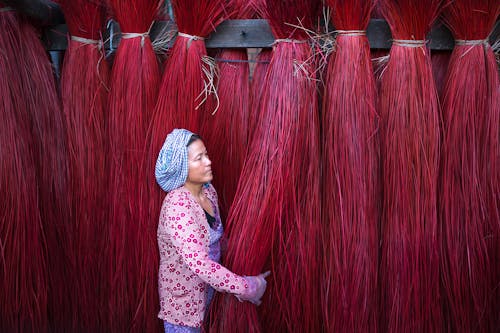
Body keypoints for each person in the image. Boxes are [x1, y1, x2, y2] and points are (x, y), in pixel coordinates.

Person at [155, 128, 270, 332]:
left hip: (210, 297)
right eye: (198, 158)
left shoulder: (208, 191)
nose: (208, 161)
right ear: (182, 167)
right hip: (184, 310)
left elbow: (217, 238)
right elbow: (201, 265)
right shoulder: (177, 206)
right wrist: (247, 288)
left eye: (206, 154)